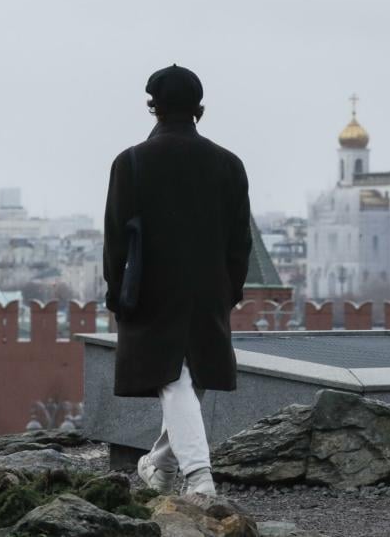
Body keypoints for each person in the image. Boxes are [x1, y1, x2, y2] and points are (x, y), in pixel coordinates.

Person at [103, 64, 252, 496]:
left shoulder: (130, 162)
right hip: (209, 288)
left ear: (154, 108)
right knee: (190, 377)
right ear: (198, 110)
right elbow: (238, 240)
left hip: (152, 288)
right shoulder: (229, 164)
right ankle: (162, 467)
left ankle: (199, 479)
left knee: (175, 378)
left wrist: (117, 292)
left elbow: (115, 238)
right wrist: (230, 289)